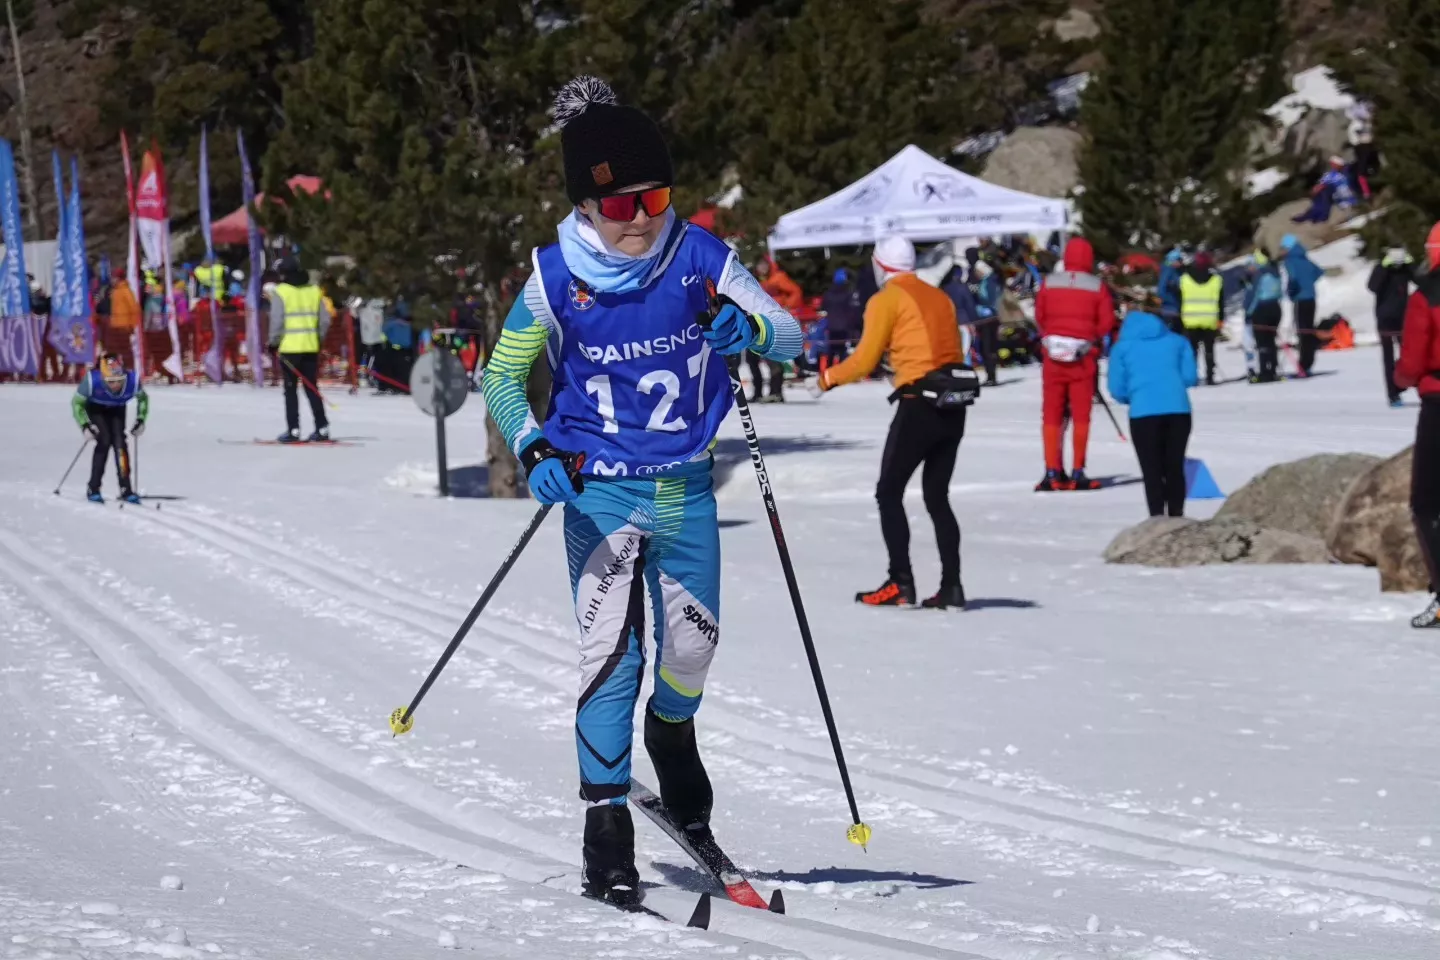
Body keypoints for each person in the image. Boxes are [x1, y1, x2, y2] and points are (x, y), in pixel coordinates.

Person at [480, 75, 801, 905]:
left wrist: (752, 327)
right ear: (586, 207)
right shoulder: (555, 277)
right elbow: (504, 377)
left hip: (686, 492)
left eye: (654, 196)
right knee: (608, 659)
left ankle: (673, 731)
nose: (642, 217)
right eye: (620, 205)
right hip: (599, 495)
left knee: (691, 650)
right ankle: (605, 831)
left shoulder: (698, 256)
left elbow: (793, 334)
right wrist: (531, 445)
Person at [813, 235, 969, 610]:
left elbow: (864, 361)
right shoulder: (939, 296)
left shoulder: (886, 299)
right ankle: (952, 585)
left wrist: (827, 378)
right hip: (954, 400)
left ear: (880, 264)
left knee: (889, 492)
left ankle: (900, 581)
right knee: (937, 495)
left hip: (919, 403)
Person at [1034, 236, 1115, 491]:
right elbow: (1106, 322)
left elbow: (1040, 316)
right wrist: (1089, 338)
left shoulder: (1049, 283)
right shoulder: (1096, 286)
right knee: (1081, 415)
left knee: (1052, 414)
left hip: (1053, 357)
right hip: (1082, 358)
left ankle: (1052, 470)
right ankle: (1078, 470)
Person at [1107, 296, 1197, 517]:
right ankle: (1177, 516)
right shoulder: (1177, 341)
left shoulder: (1122, 348)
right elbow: (1190, 377)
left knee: (1152, 471)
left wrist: (1132, 397)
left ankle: (1156, 518)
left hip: (1143, 413)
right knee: (1175, 468)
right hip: (1178, 410)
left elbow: (1116, 387)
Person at [1397, 223, 1440, 629]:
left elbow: (1411, 362)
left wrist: (1400, 379)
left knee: (1427, 503)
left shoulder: (1426, 294)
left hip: (1439, 400)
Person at [267, 257, 332, 442]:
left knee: (290, 390)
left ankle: (293, 430)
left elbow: (277, 321)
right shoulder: (313, 291)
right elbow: (325, 320)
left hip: (289, 348)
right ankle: (322, 427)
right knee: (312, 387)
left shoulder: (282, 292)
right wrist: (318, 339)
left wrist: (273, 342)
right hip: (310, 347)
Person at [71, 353, 148, 504]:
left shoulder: (132, 380)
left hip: (117, 408)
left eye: (119, 381)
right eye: (111, 381)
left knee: (120, 444)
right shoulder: (92, 380)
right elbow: (77, 404)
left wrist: (140, 420)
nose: (116, 385)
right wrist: (85, 425)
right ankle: (93, 487)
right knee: (104, 440)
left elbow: (143, 400)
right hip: (95, 408)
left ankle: (126, 488)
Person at [751, 257, 801, 402]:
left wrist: (785, 306)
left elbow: (796, 291)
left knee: (771, 357)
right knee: (752, 359)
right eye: (760, 265)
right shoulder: (756, 281)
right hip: (757, 321)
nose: (762, 268)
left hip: (773, 322)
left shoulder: (778, 278)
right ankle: (757, 392)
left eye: (764, 265)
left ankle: (776, 392)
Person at [1369, 249, 1415, 407]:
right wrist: (1383, 268)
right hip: (1385, 319)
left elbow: (1421, 281)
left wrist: (1410, 265)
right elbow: (1372, 286)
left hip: (1404, 318)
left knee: (1409, 354)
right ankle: (1392, 393)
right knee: (1388, 358)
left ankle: (1403, 384)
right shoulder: (1381, 268)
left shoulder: (1404, 270)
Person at [1280, 234, 1323, 376]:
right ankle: (1308, 363)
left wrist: (1291, 292)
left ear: (1288, 247)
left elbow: (1292, 279)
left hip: (1300, 299)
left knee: (1302, 332)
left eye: (1283, 248)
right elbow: (1318, 272)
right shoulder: (1304, 257)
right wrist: (1308, 283)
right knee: (1309, 330)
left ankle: (1303, 365)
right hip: (1311, 298)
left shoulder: (1290, 260)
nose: (1282, 251)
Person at [1177, 250, 1222, 385]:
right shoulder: (1216, 280)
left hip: (1190, 319)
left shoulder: (1184, 279)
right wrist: (1221, 319)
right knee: (1209, 350)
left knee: (1192, 352)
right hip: (1210, 319)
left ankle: (1192, 377)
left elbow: (1180, 299)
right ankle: (1210, 376)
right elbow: (1221, 301)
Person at [1244, 250, 1284, 383]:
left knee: (1262, 343)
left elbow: (1254, 295)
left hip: (1261, 309)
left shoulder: (1259, 274)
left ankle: (1264, 372)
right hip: (1275, 308)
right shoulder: (1275, 271)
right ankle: (1273, 369)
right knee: (1271, 341)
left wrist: (1249, 312)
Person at [819, 268, 861, 366]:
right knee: (842, 350)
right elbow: (853, 310)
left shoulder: (828, 294)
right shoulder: (848, 293)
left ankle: (828, 369)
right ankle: (842, 370)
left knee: (832, 349)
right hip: (845, 326)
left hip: (832, 326)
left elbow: (824, 307)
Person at [1157, 248, 1185, 333]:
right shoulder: (1168, 270)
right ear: (1173, 260)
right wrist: (1170, 300)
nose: (1181, 262)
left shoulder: (1173, 270)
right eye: (1179, 260)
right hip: (1170, 307)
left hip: (1174, 306)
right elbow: (1161, 289)